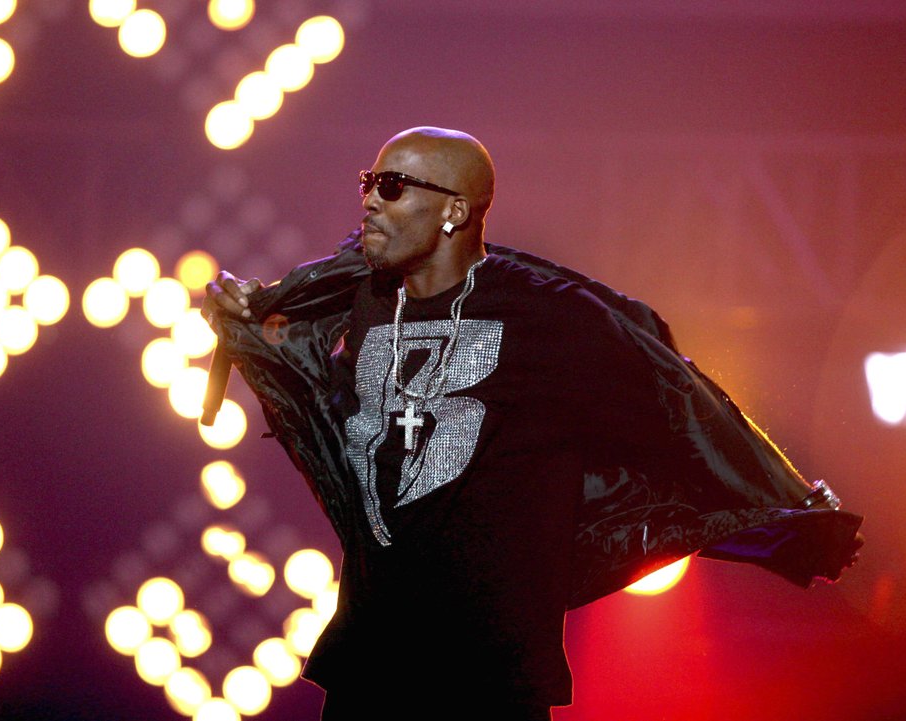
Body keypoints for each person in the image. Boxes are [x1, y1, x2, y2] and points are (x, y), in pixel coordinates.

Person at [202, 127, 862, 720]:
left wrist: (789, 519)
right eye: (369, 182)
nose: (371, 199)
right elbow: (338, 415)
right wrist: (257, 332)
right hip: (369, 671)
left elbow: (679, 407)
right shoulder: (369, 297)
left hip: (489, 684)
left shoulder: (553, 318)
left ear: (456, 211)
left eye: (394, 186)